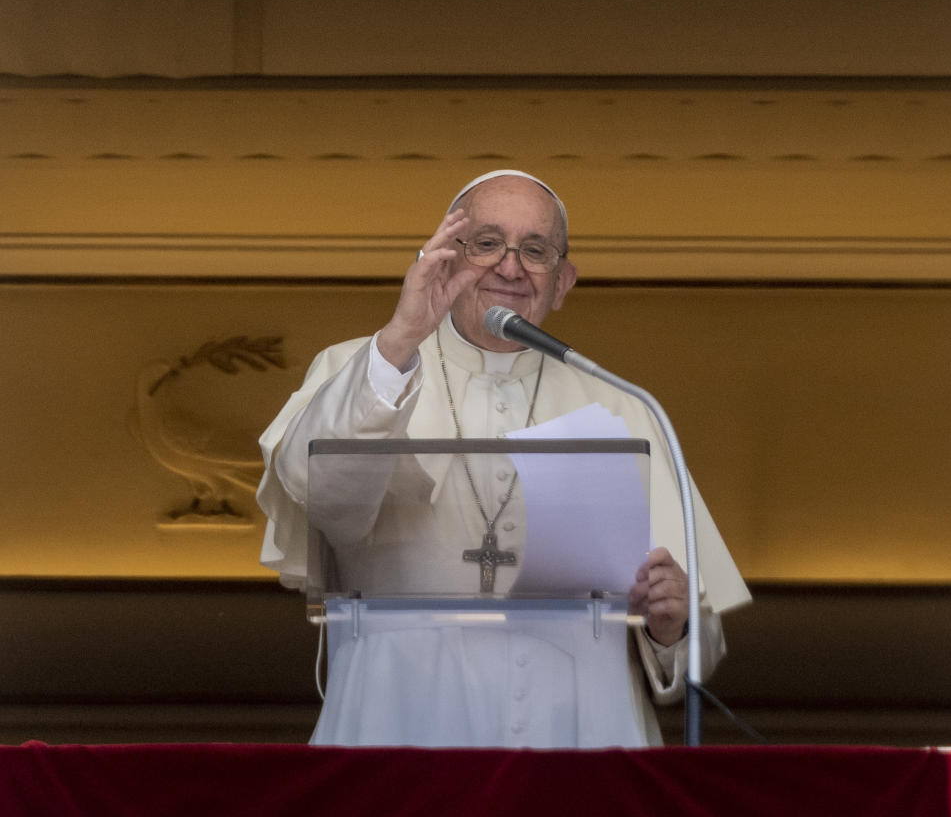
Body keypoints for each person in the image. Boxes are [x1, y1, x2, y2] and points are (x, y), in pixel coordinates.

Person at [258, 170, 750, 748]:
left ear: (562, 283)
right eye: (486, 244)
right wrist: (401, 335)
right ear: (444, 259)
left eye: (535, 251)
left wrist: (673, 625)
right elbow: (317, 491)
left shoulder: (623, 407)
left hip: (578, 730)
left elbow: (697, 639)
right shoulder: (367, 368)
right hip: (400, 712)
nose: (510, 268)